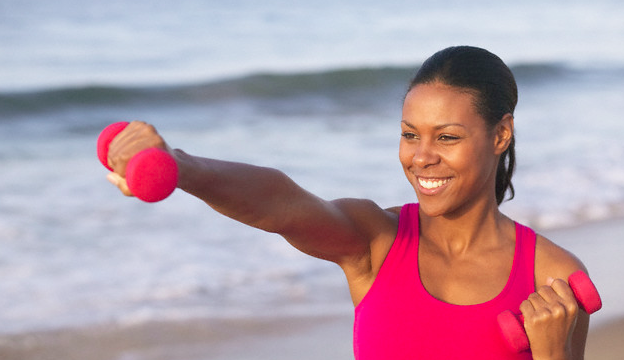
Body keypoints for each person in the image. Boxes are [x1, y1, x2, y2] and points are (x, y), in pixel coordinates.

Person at [106, 46, 590, 359]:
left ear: (500, 133)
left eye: (446, 137)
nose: (421, 157)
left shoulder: (553, 277)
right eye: (408, 135)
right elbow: (281, 204)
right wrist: (183, 167)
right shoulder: (374, 241)